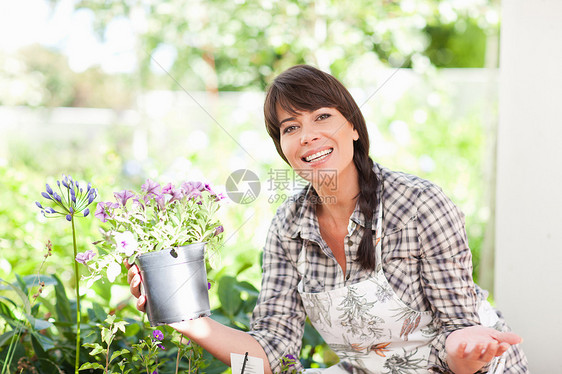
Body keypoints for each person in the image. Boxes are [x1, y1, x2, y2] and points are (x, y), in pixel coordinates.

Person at [127, 64, 528, 373]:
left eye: (322, 117)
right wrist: (185, 320)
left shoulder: (419, 203)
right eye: (291, 127)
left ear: (353, 126)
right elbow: (272, 359)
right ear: (283, 148)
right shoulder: (288, 227)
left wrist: (468, 349)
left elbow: (457, 332)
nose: (308, 136)